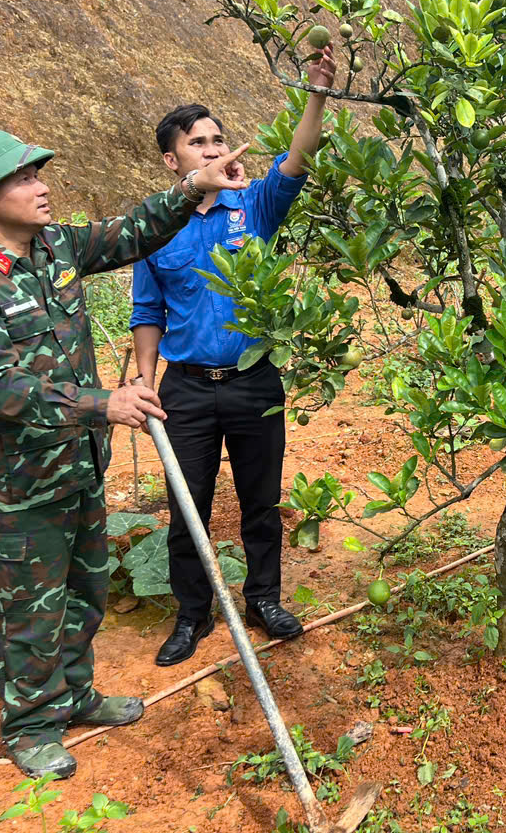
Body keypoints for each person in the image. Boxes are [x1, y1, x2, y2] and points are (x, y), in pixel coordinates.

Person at [0, 129, 247, 778]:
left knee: (83, 592)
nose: (42, 186)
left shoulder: (57, 247)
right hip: (16, 488)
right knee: (28, 609)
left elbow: (131, 232)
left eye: (39, 174)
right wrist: (105, 405)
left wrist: (194, 187)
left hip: (77, 466)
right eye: (24, 179)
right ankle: (32, 725)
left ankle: (74, 694)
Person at [131, 48, 336, 667]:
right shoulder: (155, 228)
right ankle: (192, 615)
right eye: (199, 142)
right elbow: (148, 313)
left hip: (253, 382)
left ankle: (263, 599)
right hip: (185, 390)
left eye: (219, 138)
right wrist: (146, 387)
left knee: (261, 499)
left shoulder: (256, 206)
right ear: (174, 160)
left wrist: (316, 94)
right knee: (185, 508)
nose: (215, 149)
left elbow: (300, 153)